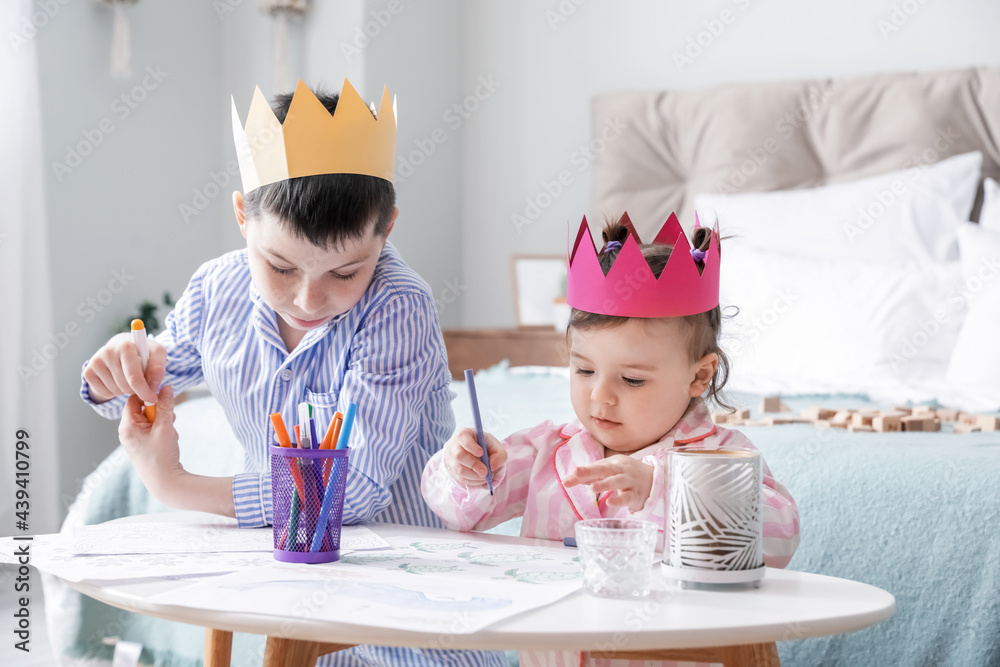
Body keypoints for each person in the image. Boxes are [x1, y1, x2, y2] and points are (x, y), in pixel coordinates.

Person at [80, 79, 505, 667]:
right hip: (290, 586)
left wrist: (174, 485)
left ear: (387, 231)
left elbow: (348, 490)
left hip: (412, 603)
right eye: (279, 267)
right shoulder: (217, 287)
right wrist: (115, 372)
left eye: (346, 272)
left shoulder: (399, 304)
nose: (308, 299)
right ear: (240, 218)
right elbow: (141, 383)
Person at [422, 213, 800, 667]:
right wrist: (465, 469)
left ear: (699, 375)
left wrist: (663, 489)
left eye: (633, 379)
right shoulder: (547, 450)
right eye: (583, 370)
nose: (600, 396)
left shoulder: (721, 457)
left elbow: (779, 538)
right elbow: (462, 516)